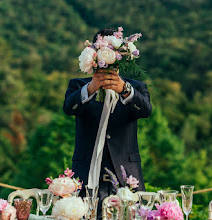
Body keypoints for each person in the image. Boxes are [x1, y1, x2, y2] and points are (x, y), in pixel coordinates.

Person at [63, 28, 152, 218]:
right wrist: (91, 88)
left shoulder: (136, 87)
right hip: (86, 176)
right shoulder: (78, 85)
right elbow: (69, 108)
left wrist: (124, 90)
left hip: (127, 176)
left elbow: (146, 111)